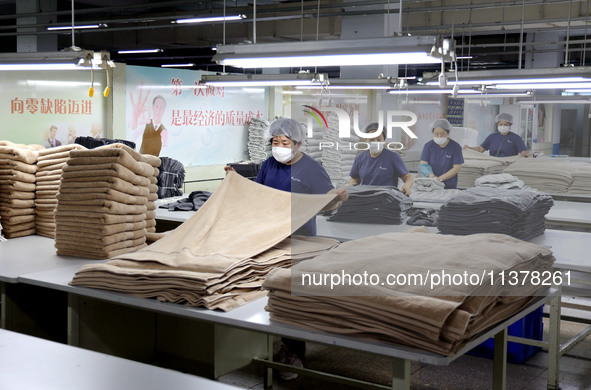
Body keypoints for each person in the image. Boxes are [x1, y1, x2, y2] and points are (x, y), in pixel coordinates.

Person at [246, 117, 348, 380]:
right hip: (270, 237)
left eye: (285, 142)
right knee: (270, 289)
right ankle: (274, 342)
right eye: (275, 142)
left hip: (300, 241)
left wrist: (337, 199)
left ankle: (293, 353)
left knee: (293, 296)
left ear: (299, 143)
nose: (278, 146)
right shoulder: (269, 164)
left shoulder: (312, 168)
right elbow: (258, 194)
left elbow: (326, 203)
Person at [349, 122, 413, 196]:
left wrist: (407, 185)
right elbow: (355, 178)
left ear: (384, 140)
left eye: (379, 139)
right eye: (371, 139)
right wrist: (352, 184)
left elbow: (408, 177)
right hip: (366, 198)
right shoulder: (360, 157)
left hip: (387, 198)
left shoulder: (393, 157)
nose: (375, 142)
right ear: (366, 139)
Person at [419, 119, 464, 189]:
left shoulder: (455, 147)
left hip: (449, 185)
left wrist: (439, 179)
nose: (439, 136)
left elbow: (457, 168)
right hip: (430, 184)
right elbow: (423, 164)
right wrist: (432, 177)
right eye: (436, 134)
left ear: (448, 133)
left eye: (442, 134)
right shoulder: (428, 146)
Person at [463, 113, 530, 157]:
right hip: (494, 165)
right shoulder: (492, 137)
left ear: (510, 125)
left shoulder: (516, 138)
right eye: (500, 124)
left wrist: (525, 153)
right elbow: (480, 149)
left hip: (509, 165)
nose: (503, 126)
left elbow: (524, 151)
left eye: (506, 125)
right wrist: (469, 148)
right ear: (497, 125)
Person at [130, 89, 168, 156]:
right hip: (142, 162)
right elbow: (133, 130)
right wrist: (135, 117)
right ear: (153, 107)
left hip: (156, 164)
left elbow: (165, 150)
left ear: (164, 110)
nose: (159, 110)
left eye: (161, 108)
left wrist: (164, 143)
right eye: (157, 106)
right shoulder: (145, 124)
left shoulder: (164, 131)